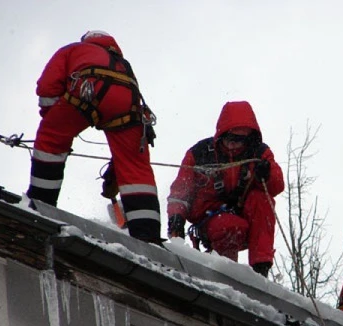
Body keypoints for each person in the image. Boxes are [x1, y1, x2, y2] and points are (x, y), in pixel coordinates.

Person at [26, 30, 161, 243]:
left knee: (51, 139)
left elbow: (47, 87)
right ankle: (147, 233)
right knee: (136, 168)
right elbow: (120, 101)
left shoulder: (73, 50)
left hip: (88, 91)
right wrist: (119, 165)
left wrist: (55, 118)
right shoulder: (122, 64)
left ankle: (40, 202)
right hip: (129, 107)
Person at [167, 101, 284, 278]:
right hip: (210, 220)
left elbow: (277, 185)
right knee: (230, 225)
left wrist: (266, 173)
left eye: (240, 140)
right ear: (222, 135)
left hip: (245, 219)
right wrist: (176, 222)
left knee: (261, 199)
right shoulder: (200, 154)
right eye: (231, 138)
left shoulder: (259, 154)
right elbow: (180, 191)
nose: (234, 144)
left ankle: (261, 270)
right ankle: (226, 273)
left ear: (249, 138)